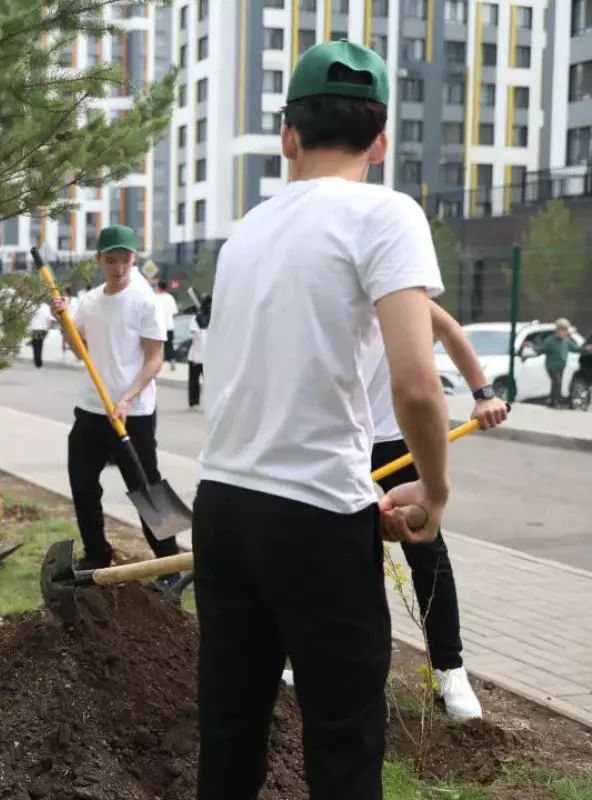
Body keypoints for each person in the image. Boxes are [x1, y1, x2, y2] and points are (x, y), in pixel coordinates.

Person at [193, 41, 452, 800]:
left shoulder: (245, 236)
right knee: (342, 740)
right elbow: (416, 386)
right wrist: (432, 492)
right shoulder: (387, 214)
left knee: (230, 731)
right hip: (315, 523)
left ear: (288, 136)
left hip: (225, 510)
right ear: (378, 142)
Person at [281, 301, 509, 719]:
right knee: (330, 558)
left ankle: (449, 669)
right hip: (341, 444)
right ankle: (322, 663)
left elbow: (451, 331)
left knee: (427, 555)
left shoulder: (396, 291)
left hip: (398, 443)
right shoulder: (323, 287)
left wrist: (483, 394)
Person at [50, 225, 180, 576]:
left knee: (146, 488)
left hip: (132, 413)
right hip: (92, 408)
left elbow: (155, 359)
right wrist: (63, 320)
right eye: (111, 260)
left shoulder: (145, 301)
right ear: (98, 260)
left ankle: (171, 567)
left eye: (125, 260)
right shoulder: (90, 302)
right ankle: (97, 553)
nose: (119, 268)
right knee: (82, 481)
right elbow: (81, 352)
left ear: (134, 259)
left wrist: (127, 398)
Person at [537, 318, 586, 408]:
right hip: (551, 366)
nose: (565, 333)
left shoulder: (566, 341)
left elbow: (575, 348)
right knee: (557, 382)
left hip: (561, 366)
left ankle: (551, 401)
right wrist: (532, 348)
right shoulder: (550, 341)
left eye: (566, 331)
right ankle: (557, 402)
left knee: (555, 383)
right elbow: (541, 350)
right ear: (557, 331)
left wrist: (586, 349)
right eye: (563, 331)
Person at [155, 280, 179, 370]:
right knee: (169, 345)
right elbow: (174, 312)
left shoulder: (155, 298)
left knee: (157, 347)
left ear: (158, 288)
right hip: (169, 326)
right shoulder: (170, 298)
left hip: (157, 326)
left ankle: (158, 363)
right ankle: (172, 360)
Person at [28, 298, 53, 368]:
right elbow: (49, 319)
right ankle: (38, 362)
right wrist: (48, 328)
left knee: (35, 346)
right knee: (40, 345)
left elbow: (30, 317)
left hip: (34, 328)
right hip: (42, 329)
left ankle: (37, 361)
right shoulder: (46, 307)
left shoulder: (32, 306)